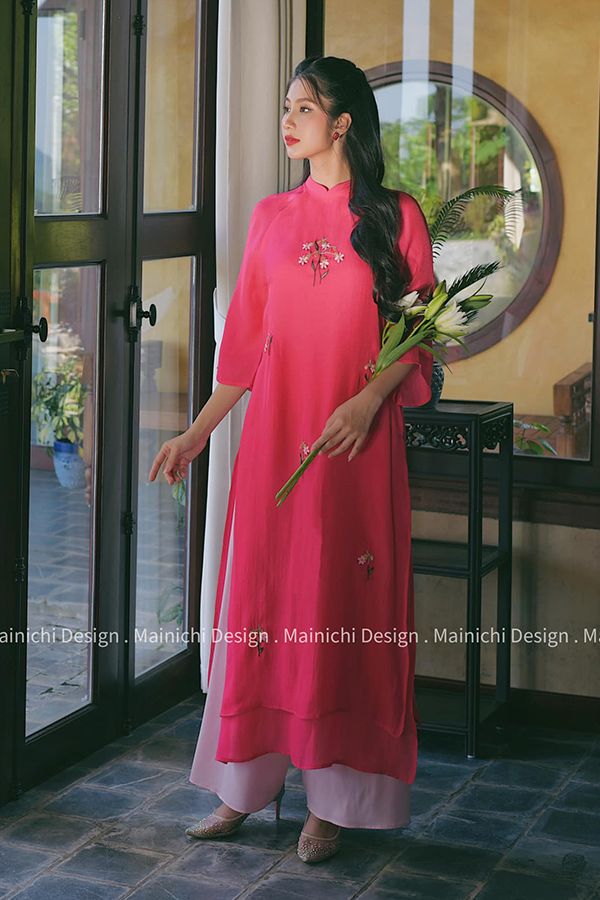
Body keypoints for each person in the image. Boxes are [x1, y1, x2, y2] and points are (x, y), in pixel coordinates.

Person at [148, 55, 435, 864]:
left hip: (354, 445)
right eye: (286, 106)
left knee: (340, 603)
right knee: (266, 607)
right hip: (277, 444)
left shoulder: (396, 217)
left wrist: (368, 401)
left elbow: (419, 338)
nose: (288, 119)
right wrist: (196, 433)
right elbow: (243, 347)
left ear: (342, 122)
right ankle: (244, 785)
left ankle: (333, 803)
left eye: (304, 107)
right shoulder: (271, 217)